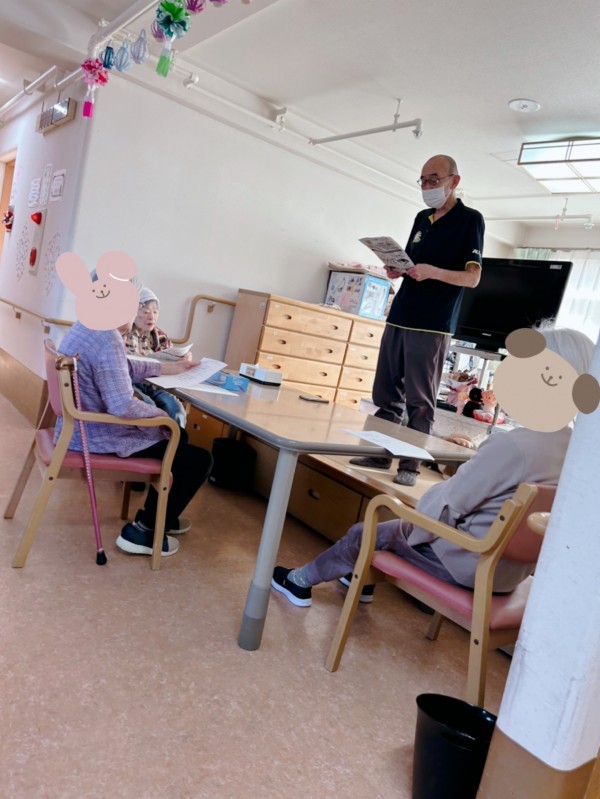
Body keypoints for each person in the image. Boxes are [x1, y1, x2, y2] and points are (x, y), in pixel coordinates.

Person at [271, 324, 594, 607]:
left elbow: (447, 505)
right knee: (399, 528)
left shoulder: (513, 445)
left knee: (370, 529)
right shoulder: (574, 451)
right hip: (508, 574)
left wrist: (419, 514)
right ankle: (359, 580)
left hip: (466, 563)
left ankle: (298, 582)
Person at [351, 154, 485, 487]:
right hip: (400, 315)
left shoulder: (470, 220)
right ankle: (379, 453)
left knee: (419, 402)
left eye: (433, 180)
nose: (427, 186)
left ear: (454, 181)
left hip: (432, 324)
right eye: (423, 180)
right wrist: (396, 269)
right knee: (385, 394)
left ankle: (409, 466)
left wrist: (433, 272)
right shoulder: (422, 218)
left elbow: (472, 279)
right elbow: (414, 264)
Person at [56, 318, 213, 557]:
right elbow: (122, 406)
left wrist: (166, 368)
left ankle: (159, 516)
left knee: (177, 436)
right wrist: (161, 417)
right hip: (95, 435)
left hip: (79, 428)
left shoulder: (85, 325)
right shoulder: (108, 338)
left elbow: (121, 367)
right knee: (198, 460)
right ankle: (144, 531)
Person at [122, 287, 188, 428]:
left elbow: (171, 358)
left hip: (155, 385)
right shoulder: (124, 331)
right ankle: (155, 441)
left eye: (155, 312)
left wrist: (182, 359)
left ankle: (176, 441)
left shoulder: (159, 335)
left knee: (176, 409)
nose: (151, 317)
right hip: (131, 384)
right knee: (149, 407)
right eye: (146, 312)